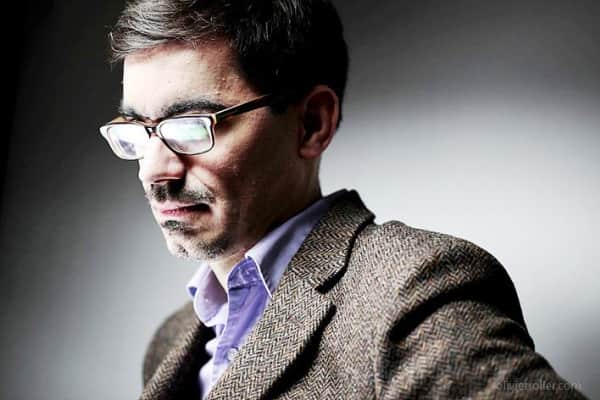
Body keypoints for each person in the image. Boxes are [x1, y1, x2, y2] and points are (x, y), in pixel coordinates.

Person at [100, 1, 587, 399]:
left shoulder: (412, 293)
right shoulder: (171, 342)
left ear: (313, 123)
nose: (154, 170)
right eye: (137, 130)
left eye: (191, 126)